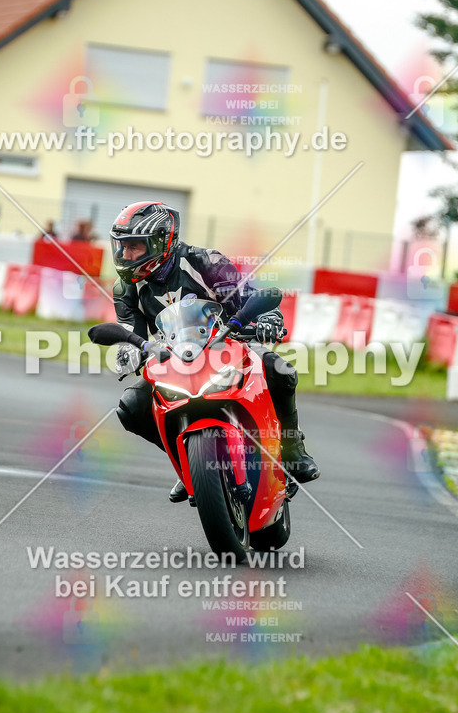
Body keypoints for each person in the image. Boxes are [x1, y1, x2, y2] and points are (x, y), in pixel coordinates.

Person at [110, 201, 319, 502]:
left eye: (134, 246)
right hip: (175, 361)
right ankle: (188, 464)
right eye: (122, 246)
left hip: (230, 344)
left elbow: (246, 295)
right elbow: (132, 334)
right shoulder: (125, 289)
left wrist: (267, 319)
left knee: (281, 372)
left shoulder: (205, 261)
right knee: (130, 406)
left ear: (160, 242)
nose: (125, 255)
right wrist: (130, 352)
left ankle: (292, 450)